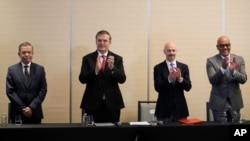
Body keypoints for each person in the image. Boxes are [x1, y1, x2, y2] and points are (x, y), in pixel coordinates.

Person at [79, 30, 126, 123]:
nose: (102, 43)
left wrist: (113, 68)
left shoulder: (117, 58)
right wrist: (95, 71)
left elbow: (122, 79)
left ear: (110, 42)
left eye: (105, 41)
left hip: (112, 104)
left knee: (112, 135)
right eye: (99, 40)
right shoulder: (87, 58)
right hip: (92, 104)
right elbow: (82, 79)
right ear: (96, 42)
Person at [206, 35, 247, 123]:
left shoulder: (239, 59)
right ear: (217, 47)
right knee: (220, 132)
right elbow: (212, 80)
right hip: (218, 103)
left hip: (235, 102)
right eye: (222, 45)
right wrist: (223, 68)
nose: (225, 47)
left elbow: (243, 79)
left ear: (230, 45)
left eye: (227, 45)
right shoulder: (211, 61)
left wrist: (233, 72)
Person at [6, 42, 47, 124]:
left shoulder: (40, 69)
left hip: (35, 112)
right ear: (19, 54)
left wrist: (31, 107)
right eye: (24, 52)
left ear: (33, 53)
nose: (26, 54)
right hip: (17, 112)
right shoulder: (12, 70)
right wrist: (23, 108)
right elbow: (10, 91)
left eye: (29, 52)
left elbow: (43, 90)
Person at [153, 41, 192, 123]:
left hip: (180, 110)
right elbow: (157, 87)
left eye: (173, 50)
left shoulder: (184, 67)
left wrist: (180, 79)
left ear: (176, 51)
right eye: (169, 50)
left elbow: (188, 87)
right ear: (164, 52)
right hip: (163, 110)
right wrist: (169, 79)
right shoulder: (158, 68)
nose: (171, 53)